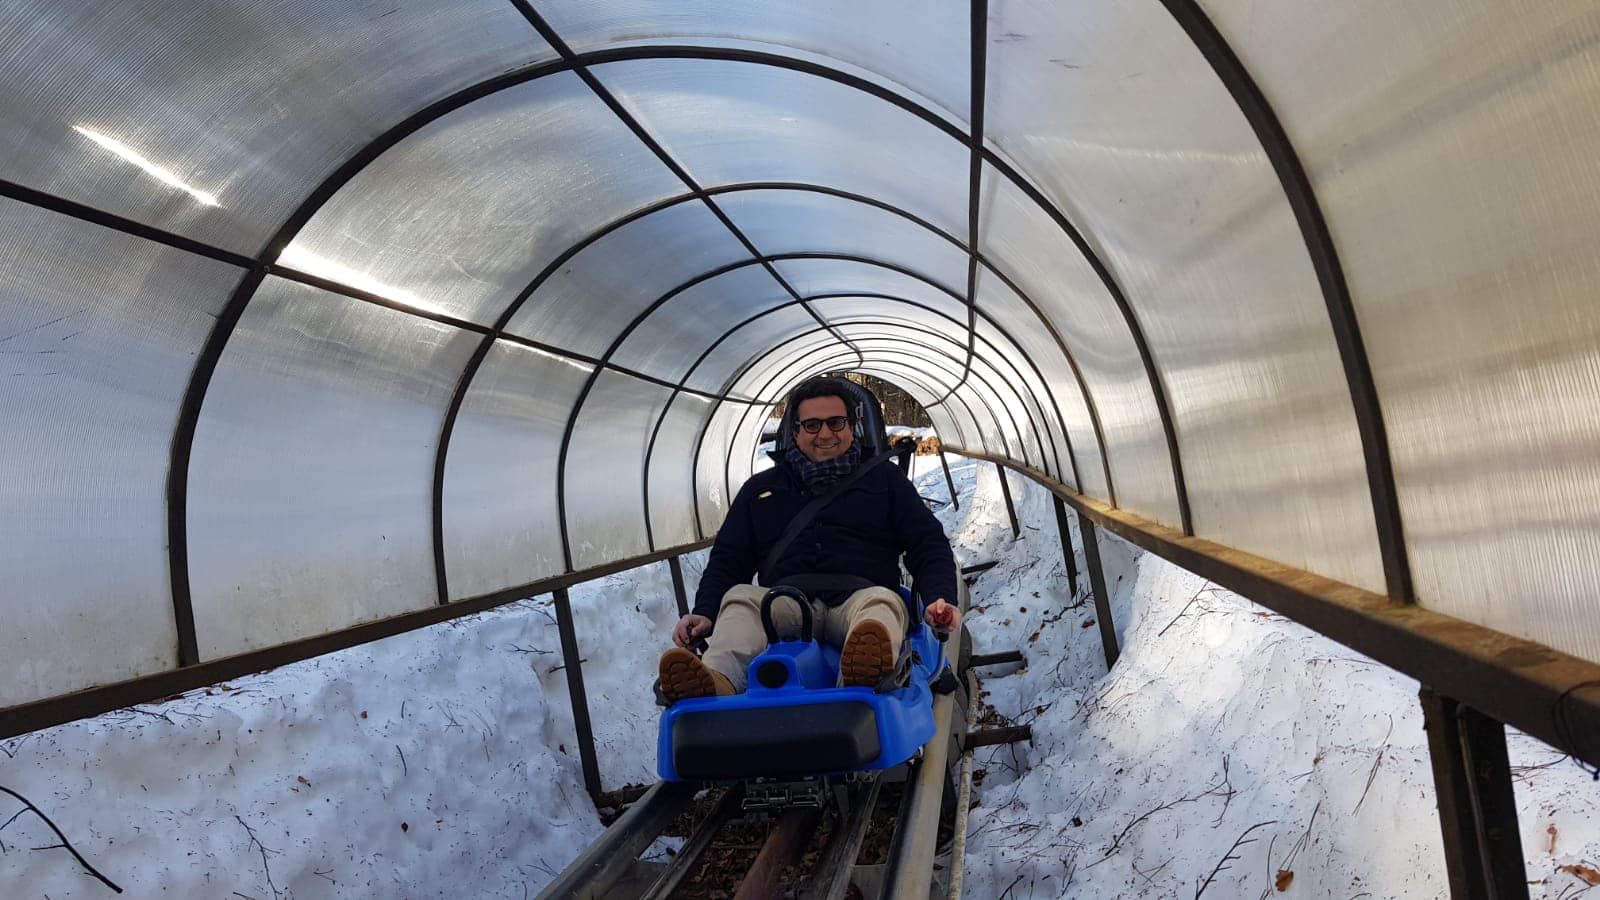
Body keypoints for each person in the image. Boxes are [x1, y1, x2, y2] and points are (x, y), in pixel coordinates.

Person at [659, 377, 962, 701]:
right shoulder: (760, 491)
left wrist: (939, 597)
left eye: (836, 422)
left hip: (860, 598)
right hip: (785, 603)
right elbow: (729, 559)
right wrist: (705, 612)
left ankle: (861, 683)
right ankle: (716, 681)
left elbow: (927, 543)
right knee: (741, 598)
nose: (825, 434)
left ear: (852, 427)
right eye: (813, 425)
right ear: (796, 432)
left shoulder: (887, 481)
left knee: (882, 604)